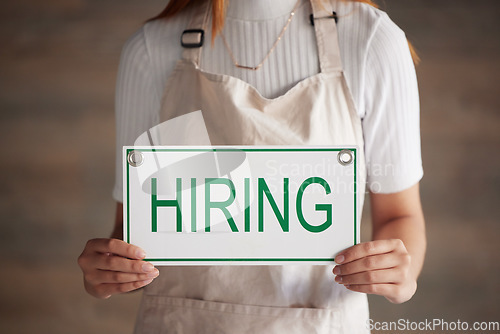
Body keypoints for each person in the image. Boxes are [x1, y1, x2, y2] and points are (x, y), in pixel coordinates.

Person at [78, 0, 426, 332]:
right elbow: (136, 233)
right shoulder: (150, 51)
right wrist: (110, 270)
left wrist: (399, 275)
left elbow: (399, 215)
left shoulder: (372, 41)